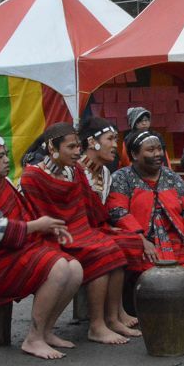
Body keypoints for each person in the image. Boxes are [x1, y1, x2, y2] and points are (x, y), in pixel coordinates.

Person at [0, 131, 83, 359]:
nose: (7, 160)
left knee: (75, 268)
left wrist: (47, 227)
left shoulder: (2, 181)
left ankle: (46, 331)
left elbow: (23, 215)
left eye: (6, 154)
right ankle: (33, 339)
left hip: (12, 251)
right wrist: (37, 226)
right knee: (56, 267)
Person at [20, 123, 131, 345]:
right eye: (70, 147)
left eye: (77, 147)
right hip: (52, 235)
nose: (76, 152)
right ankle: (96, 325)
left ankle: (112, 318)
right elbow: (31, 215)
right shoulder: (32, 176)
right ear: (52, 147)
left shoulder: (74, 171)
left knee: (117, 249)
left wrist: (106, 226)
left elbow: (89, 205)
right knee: (101, 252)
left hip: (80, 230)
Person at [106, 130, 184, 284]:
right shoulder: (121, 178)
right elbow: (118, 211)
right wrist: (141, 240)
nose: (158, 154)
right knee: (146, 274)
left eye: (159, 149)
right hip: (143, 239)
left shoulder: (172, 177)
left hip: (176, 238)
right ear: (134, 154)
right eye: (150, 150)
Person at [77, 116, 141, 336]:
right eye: (110, 139)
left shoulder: (105, 173)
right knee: (109, 249)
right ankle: (100, 322)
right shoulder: (76, 171)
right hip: (78, 232)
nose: (115, 145)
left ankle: (116, 313)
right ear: (92, 142)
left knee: (131, 241)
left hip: (95, 229)